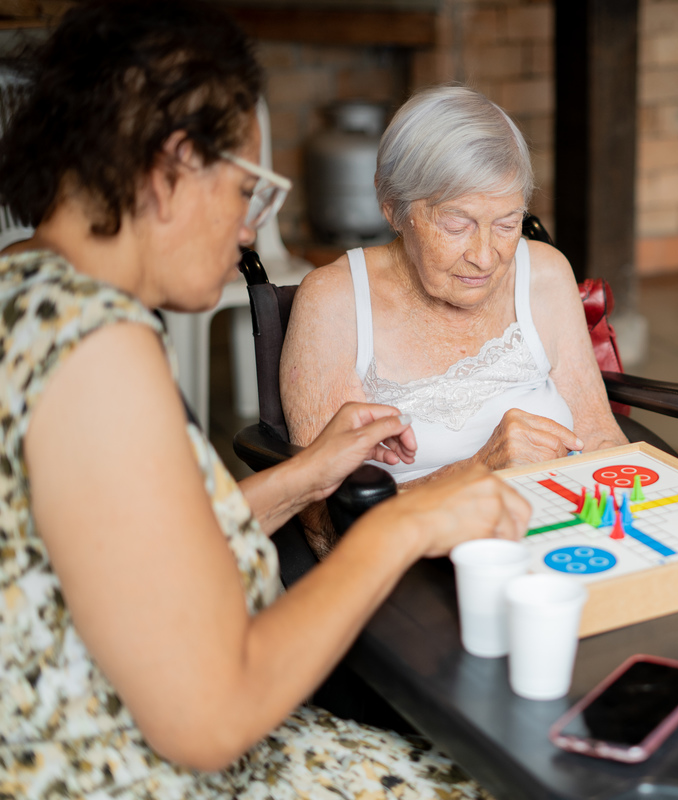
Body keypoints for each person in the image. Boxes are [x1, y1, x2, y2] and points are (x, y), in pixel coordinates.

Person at [0, 3, 528, 797]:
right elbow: (209, 721)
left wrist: (309, 474)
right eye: (248, 189)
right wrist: (404, 524)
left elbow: (135, 551)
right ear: (174, 165)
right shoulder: (96, 348)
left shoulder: (23, 280)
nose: (249, 233)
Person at [281, 85, 627, 557]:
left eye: (507, 224)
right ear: (394, 209)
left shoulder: (544, 272)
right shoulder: (334, 301)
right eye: (457, 225)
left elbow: (603, 438)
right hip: (414, 572)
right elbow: (327, 527)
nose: (485, 256)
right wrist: (480, 465)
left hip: (563, 542)